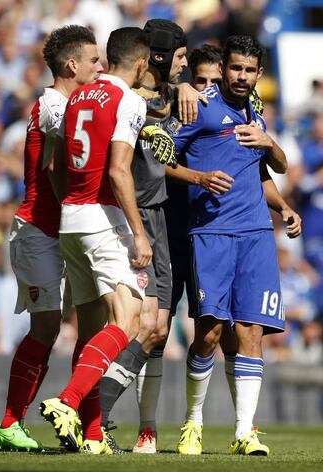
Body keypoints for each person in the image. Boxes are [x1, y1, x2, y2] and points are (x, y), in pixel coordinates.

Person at [171, 35, 299, 457]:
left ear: (259, 73)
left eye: (249, 70)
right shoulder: (201, 106)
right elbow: (158, 155)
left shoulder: (255, 112)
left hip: (257, 234)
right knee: (208, 334)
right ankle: (193, 422)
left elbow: (270, 167)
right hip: (211, 233)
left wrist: (282, 205)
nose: (241, 76)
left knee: (251, 330)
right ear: (223, 67)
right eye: (235, 68)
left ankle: (245, 431)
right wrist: (199, 179)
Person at [39, 26, 155, 455]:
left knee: (90, 332)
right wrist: (138, 233)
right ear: (141, 63)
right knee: (128, 319)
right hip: (101, 219)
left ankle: (91, 436)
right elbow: (119, 171)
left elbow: (53, 166)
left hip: (71, 217)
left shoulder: (77, 97)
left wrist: (72, 204)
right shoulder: (128, 100)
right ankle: (68, 402)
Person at [0, 25, 104, 452]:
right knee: (46, 326)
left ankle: (89, 426)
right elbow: (58, 170)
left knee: (80, 327)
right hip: (40, 230)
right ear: (72, 64)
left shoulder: (71, 103)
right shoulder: (54, 106)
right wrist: (78, 208)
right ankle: (9, 422)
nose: (101, 68)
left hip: (65, 233)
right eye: (94, 60)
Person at [97, 19, 194, 454]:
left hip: (156, 217)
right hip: (135, 219)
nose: (185, 65)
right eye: (180, 58)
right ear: (154, 57)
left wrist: (187, 85)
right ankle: (90, 412)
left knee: (153, 327)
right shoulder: (125, 101)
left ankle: (94, 413)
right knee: (133, 323)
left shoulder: (168, 96)